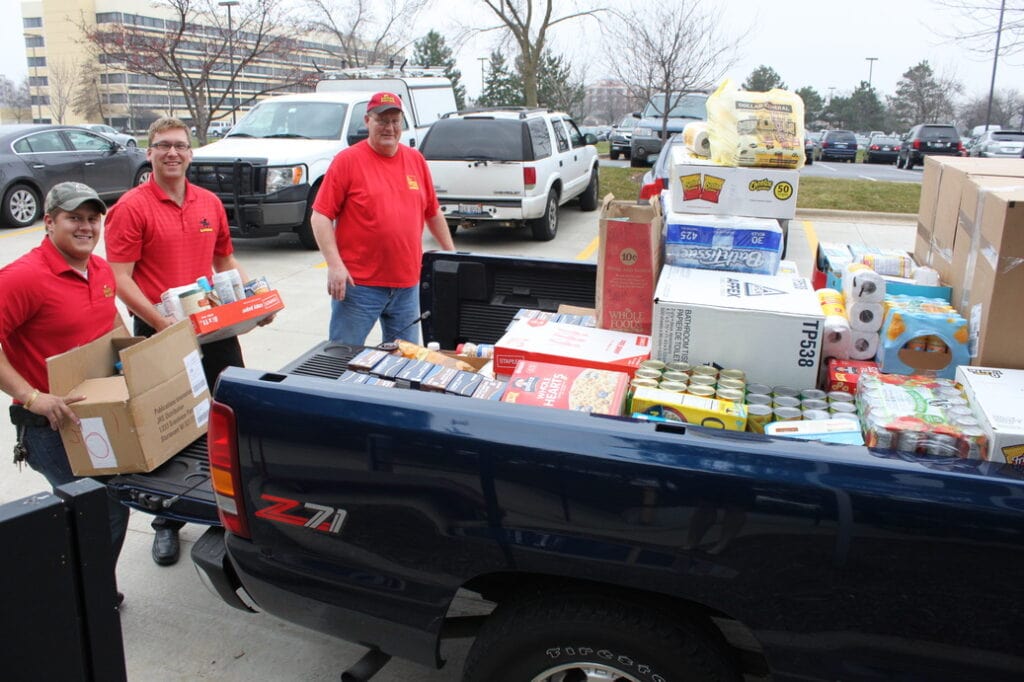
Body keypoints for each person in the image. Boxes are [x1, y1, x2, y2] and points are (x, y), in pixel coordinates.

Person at [104, 116, 266, 567]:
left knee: (224, 413)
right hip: (158, 331)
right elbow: (120, 279)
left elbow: (224, 259)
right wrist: (162, 324)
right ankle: (166, 520)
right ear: (149, 152)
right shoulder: (131, 208)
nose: (172, 153)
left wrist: (254, 301)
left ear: (191, 153)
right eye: (162, 146)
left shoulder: (208, 202)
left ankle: (219, 508)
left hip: (212, 328)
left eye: (179, 145)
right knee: (169, 427)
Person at [0, 182, 130, 602]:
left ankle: (89, 595)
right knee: (100, 508)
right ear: (49, 222)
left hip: (95, 417)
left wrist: (138, 360)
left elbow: (111, 323)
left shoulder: (101, 270)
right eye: (74, 218)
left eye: (93, 219)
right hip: (48, 426)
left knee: (108, 506)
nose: (86, 227)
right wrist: (32, 396)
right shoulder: (23, 278)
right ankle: (76, 601)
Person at [310, 91, 454, 346]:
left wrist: (451, 255)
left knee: (405, 360)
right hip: (359, 286)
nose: (389, 128)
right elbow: (320, 215)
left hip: (407, 285)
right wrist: (335, 265)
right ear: (368, 121)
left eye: (395, 121)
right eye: (382, 121)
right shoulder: (347, 161)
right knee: (342, 356)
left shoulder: (415, 160)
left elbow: (432, 212)